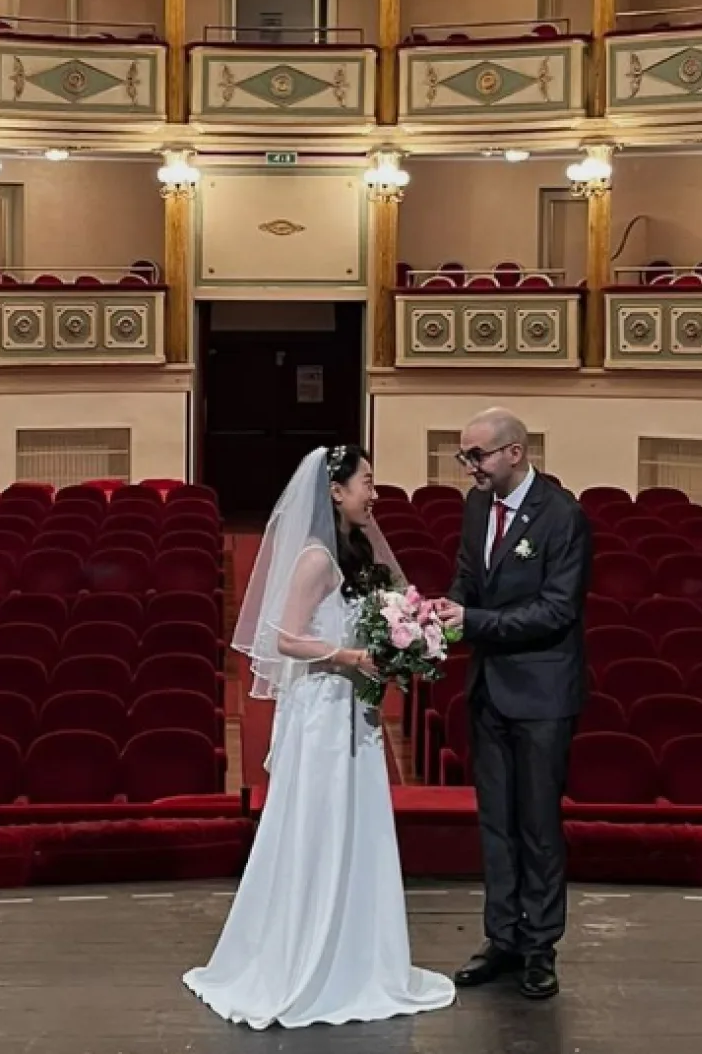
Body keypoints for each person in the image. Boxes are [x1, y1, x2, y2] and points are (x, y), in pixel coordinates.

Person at [184, 444, 456, 1031]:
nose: (374, 495)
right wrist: (349, 654)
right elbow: (281, 639)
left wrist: (403, 638)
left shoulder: (353, 553)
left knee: (354, 825)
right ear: (335, 490)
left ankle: (356, 953)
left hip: (351, 708)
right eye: (366, 483)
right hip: (323, 710)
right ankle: (308, 954)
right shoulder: (313, 559)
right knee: (321, 824)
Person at [433, 407, 592, 1002]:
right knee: (496, 824)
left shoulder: (563, 516)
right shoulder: (477, 507)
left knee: (538, 827)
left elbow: (557, 610)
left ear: (514, 454)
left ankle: (540, 946)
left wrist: (473, 620)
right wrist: (442, 616)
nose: (468, 466)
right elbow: (466, 578)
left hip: (543, 694)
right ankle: (501, 937)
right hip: (490, 690)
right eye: (464, 456)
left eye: (476, 455)